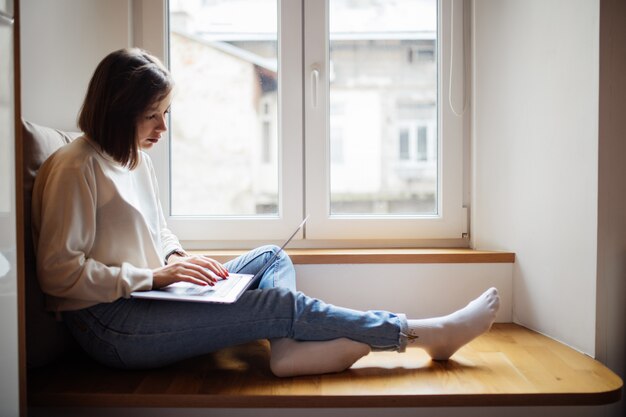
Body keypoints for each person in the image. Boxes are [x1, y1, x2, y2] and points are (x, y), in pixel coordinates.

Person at [32, 48, 500, 377]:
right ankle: (418, 333)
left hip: (152, 294)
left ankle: (287, 352)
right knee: (277, 304)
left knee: (269, 257)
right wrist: (154, 277)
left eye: (166, 112)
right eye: (153, 114)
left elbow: (158, 230)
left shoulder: (135, 159)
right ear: (120, 109)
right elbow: (58, 275)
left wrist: (175, 261)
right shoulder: (76, 167)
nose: (163, 127)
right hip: (111, 324)